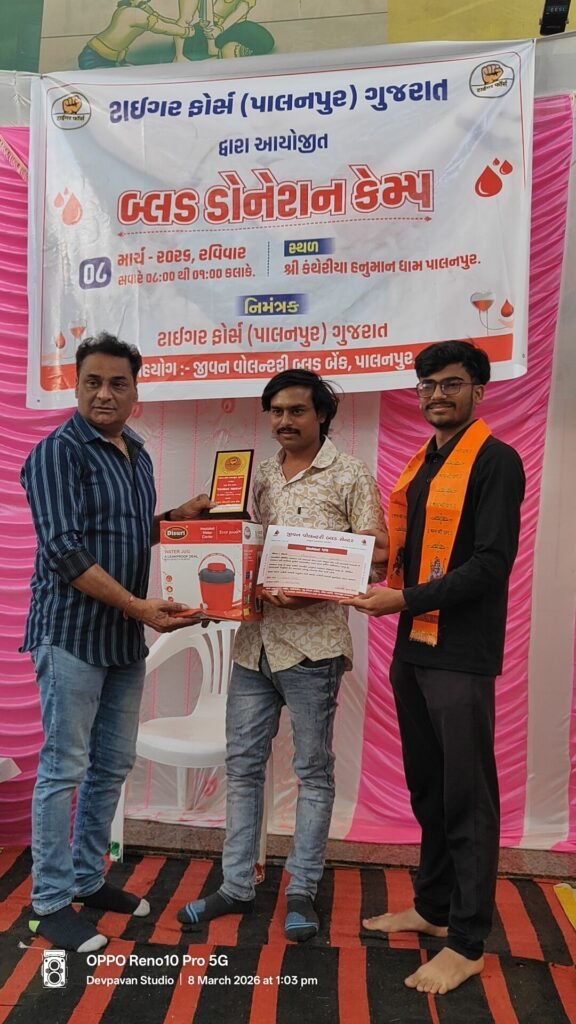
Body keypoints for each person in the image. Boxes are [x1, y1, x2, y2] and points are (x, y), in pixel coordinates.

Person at [178, 369, 388, 941]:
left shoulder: (351, 474)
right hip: (255, 646)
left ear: (322, 415)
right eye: (276, 411)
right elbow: (255, 549)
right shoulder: (262, 476)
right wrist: (218, 545)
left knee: (312, 773)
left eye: (297, 410)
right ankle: (236, 886)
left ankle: (302, 889)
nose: (285, 421)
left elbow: (377, 555)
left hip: (314, 648)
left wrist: (312, 587)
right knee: (242, 767)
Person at [343, 340, 525, 995]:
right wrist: (363, 566)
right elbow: (413, 554)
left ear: (478, 390)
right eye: (427, 385)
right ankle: (433, 905)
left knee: (467, 797)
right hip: (414, 648)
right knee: (428, 790)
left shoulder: (495, 461)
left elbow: (490, 565)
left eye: (450, 383)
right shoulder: (422, 465)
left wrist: (405, 599)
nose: (437, 395)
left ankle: (468, 942)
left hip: (461, 654)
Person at [21, 333, 211, 953]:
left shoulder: (137, 454)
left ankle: (87, 877)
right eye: (93, 382)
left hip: (123, 637)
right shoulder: (57, 453)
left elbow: (125, 535)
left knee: (112, 765)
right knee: (64, 768)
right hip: (71, 635)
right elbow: (66, 551)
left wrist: (176, 521)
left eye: (118, 383)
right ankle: (50, 901)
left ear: (135, 389)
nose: (104, 394)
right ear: (76, 385)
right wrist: (139, 608)